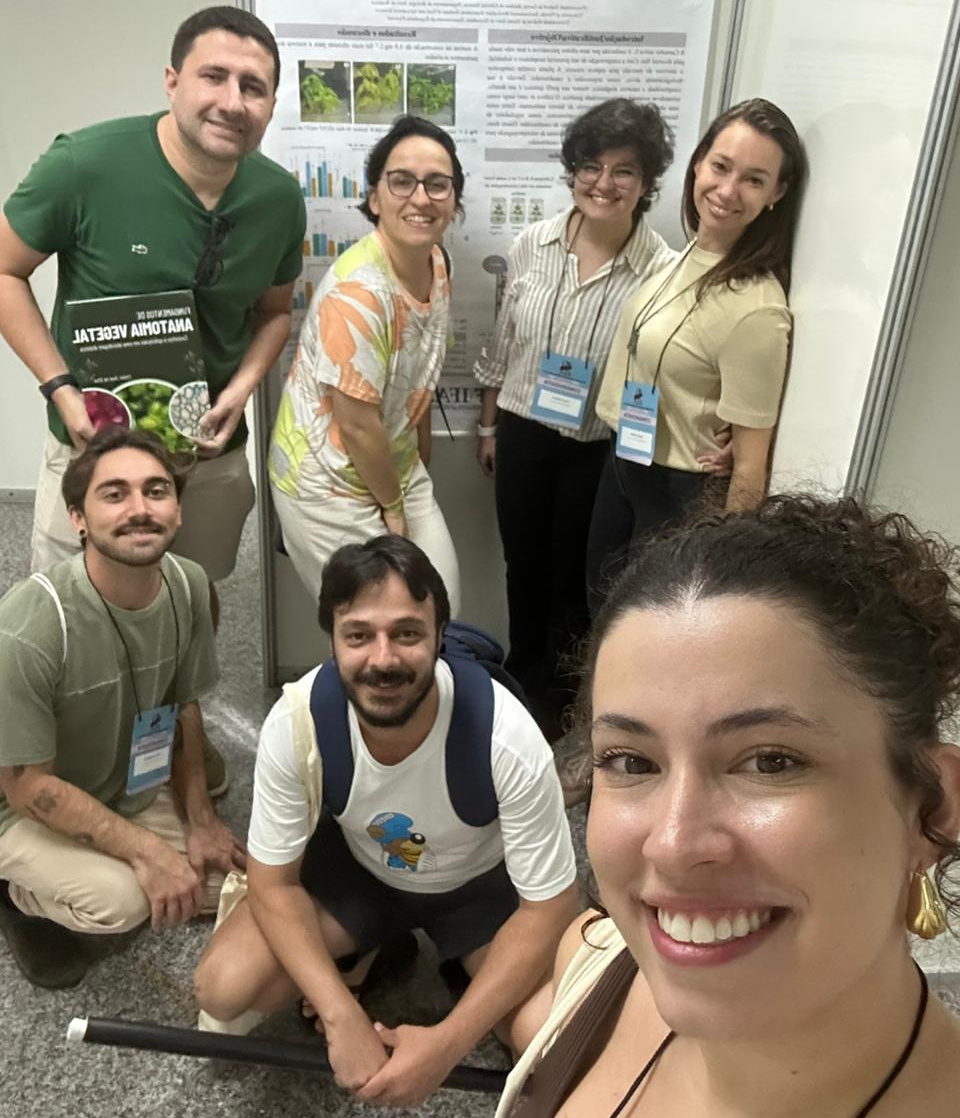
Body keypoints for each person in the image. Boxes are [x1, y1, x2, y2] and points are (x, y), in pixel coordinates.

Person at [497, 494, 960, 1116]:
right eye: (632, 761)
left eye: (770, 761)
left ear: (932, 806)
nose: (674, 843)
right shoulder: (593, 960)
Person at [194, 535, 578, 1108]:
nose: (383, 658)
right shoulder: (295, 723)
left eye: (406, 633)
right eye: (358, 635)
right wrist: (341, 1014)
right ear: (332, 637)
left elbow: (549, 907)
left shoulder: (507, 735)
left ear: (439, 636)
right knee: (222, 989)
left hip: (479, 889)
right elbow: (273, 883)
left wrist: (448, 1043)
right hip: (363, 873)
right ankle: (379, 946)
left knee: (551, 1039)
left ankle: (443, 962)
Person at [0, 4, 305, 589]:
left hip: (208, 451)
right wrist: (62, 391)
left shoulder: (278, 199)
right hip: (94, 447)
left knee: (191, 599)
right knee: (73, 608)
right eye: (213, 77)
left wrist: (241, 393)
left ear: (269, 105)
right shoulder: (85, 164)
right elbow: (5, 272)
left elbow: (272, 315)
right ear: (173, 82)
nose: (232, 101)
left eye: (253, 87)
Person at [0, 428, 245, 990]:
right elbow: (26, 787)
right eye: (114, 494)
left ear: (178, 511)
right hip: (19, 804)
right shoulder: (32, 627)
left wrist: (202, 823)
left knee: (227, 881)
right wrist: (146, 851)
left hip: (115, 780)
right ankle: (16, 897)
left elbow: (181, 706)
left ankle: (133, 843)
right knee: (126, 903)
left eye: (156, 491)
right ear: (77, 520)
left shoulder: (188, 586)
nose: (139, 509)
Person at [473, 99, 677, 739]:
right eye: (591, 166)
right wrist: (487, 426)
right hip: (522, 429)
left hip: (597, 445)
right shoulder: (533, 243)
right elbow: (504, 342)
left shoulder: (661, 271)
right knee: (520, 562)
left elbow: (659, 368)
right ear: (571, 172)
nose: (604, 183)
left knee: (575, 578)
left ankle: (562, 698)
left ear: (646, 185)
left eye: (624, 171)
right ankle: (522, 675)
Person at [586, 98, 808, 611]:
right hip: (627, 462)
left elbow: (751, 466)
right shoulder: (687, 254)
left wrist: (722, 579)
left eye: (754, 180)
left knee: (647, 634)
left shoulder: (757, 308)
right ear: (698, 164)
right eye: (721, 166)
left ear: (777, 193)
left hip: (678, 493)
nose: (727, 191)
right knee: (599, 613)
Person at [270, 115, 461, 612]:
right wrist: (393, 510)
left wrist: (416, 460)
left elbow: (421, 367)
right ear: (375, 198)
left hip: (391, 464)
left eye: (438, 184)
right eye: (402, 181)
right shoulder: (358, 294)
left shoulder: (437, 264)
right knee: (375, 627)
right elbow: (356, 425)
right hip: (326, 480)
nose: (421, 197)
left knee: (444, 614)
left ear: (454, 201)